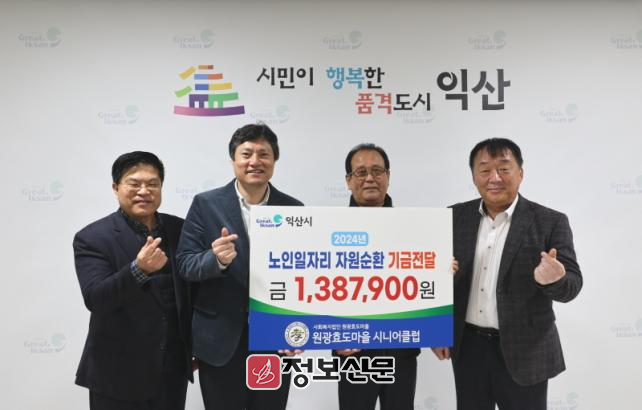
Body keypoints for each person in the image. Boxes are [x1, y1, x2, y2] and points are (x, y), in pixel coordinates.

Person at [431, 138, 583, 410]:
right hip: (468, 346)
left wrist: (554, 280)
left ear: (520, 173)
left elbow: (572, 285)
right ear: (474, 176)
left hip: (526, 349)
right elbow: (436, 279)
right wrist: (438, 331)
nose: (495, 178)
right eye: (485, 170)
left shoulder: (550, 221)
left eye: (504, 168)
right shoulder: (454, 217)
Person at [177, 123, 303, 410]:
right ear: (233, 159)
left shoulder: (293, 209)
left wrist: (298, 328)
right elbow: (185, 263)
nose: (255, 161)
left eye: (264, 154)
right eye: (246, 154)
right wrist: (216, 260)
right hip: (219, 339)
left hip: (274, 339)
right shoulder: (206, 204)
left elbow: (303, 274)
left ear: (274, 160)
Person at [73, 151, 192, 410]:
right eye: (134, 183)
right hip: (116, 373)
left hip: (171, 370)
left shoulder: (181, 229)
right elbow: (96, 298)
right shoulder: (92, 237)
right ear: (116, 187)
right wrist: (139, 269)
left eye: (152, 184)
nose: (144, 191)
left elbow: (193, 293)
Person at [334, 143, 420, 410]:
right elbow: (316, 288)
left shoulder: (415, 229)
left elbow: (423, 283)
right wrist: (336, 337)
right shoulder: (330, 228)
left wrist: (442, 272)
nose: (370, 178)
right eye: (361, 172)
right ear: (348, 181)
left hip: (402, 348)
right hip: (352, 349)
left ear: (388, 176)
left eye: (377, 171)